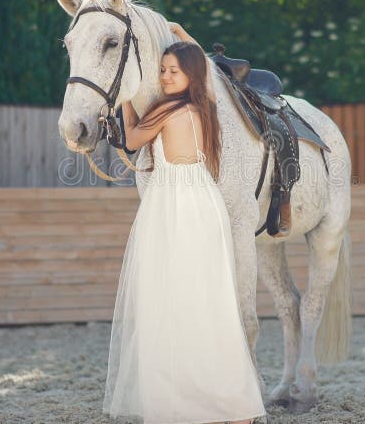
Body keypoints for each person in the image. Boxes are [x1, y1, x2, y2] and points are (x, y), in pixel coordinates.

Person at [102, 23, 266, 424]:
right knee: (206, 297)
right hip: (200, 197)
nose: (164, 76)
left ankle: (184, 401)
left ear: (190, 74)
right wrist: (183, 34)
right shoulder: (204, 104)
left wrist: (125, 99)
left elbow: (132, 141)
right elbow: (207, 69)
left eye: (173, 70)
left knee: (169, 296)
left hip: (173, 199)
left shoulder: (167, 110)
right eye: (162, 70)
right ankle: (231, 402)